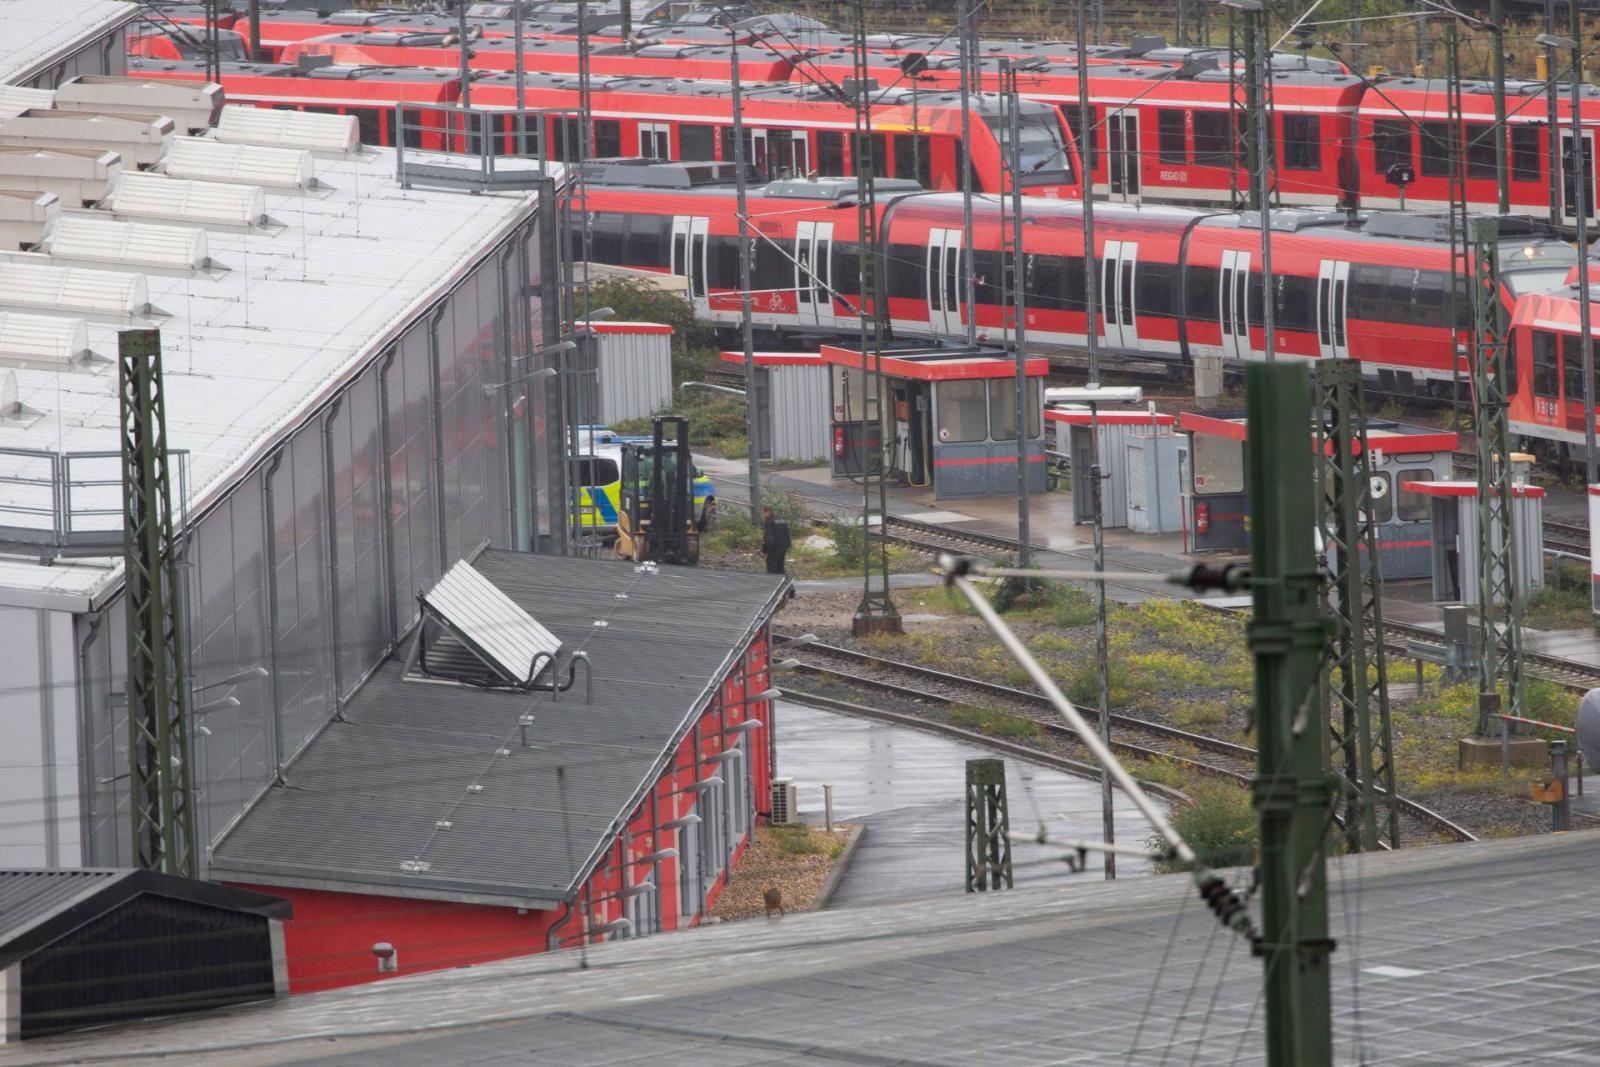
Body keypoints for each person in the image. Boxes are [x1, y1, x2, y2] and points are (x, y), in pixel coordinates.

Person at [761, 505, 791, 579]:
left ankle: (772, 585)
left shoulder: (769, 522)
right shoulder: (782, 520)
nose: (763, 516)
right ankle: (784, 584)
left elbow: (769, 540)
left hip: (775, 548)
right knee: (780, 566)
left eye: (764, 513)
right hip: (784, 547)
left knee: (772, 567)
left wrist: (764, 550)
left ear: (768, 512)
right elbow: (787, 534)